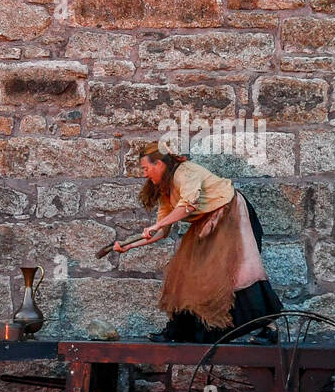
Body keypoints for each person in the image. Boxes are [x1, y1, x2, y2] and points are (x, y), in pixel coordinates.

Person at [116, 144, 282, 343]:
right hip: (207, 220)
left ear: (159, 164)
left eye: (146, 168)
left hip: (231, 213)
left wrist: (158, 223)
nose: (145, 174)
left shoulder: (186, 172)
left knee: (241, 271)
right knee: (187, 273)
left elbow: (188, 206)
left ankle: (269, 327)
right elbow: (161, 230)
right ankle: (178, 331)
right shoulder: (165, 190)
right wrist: (129, 246)